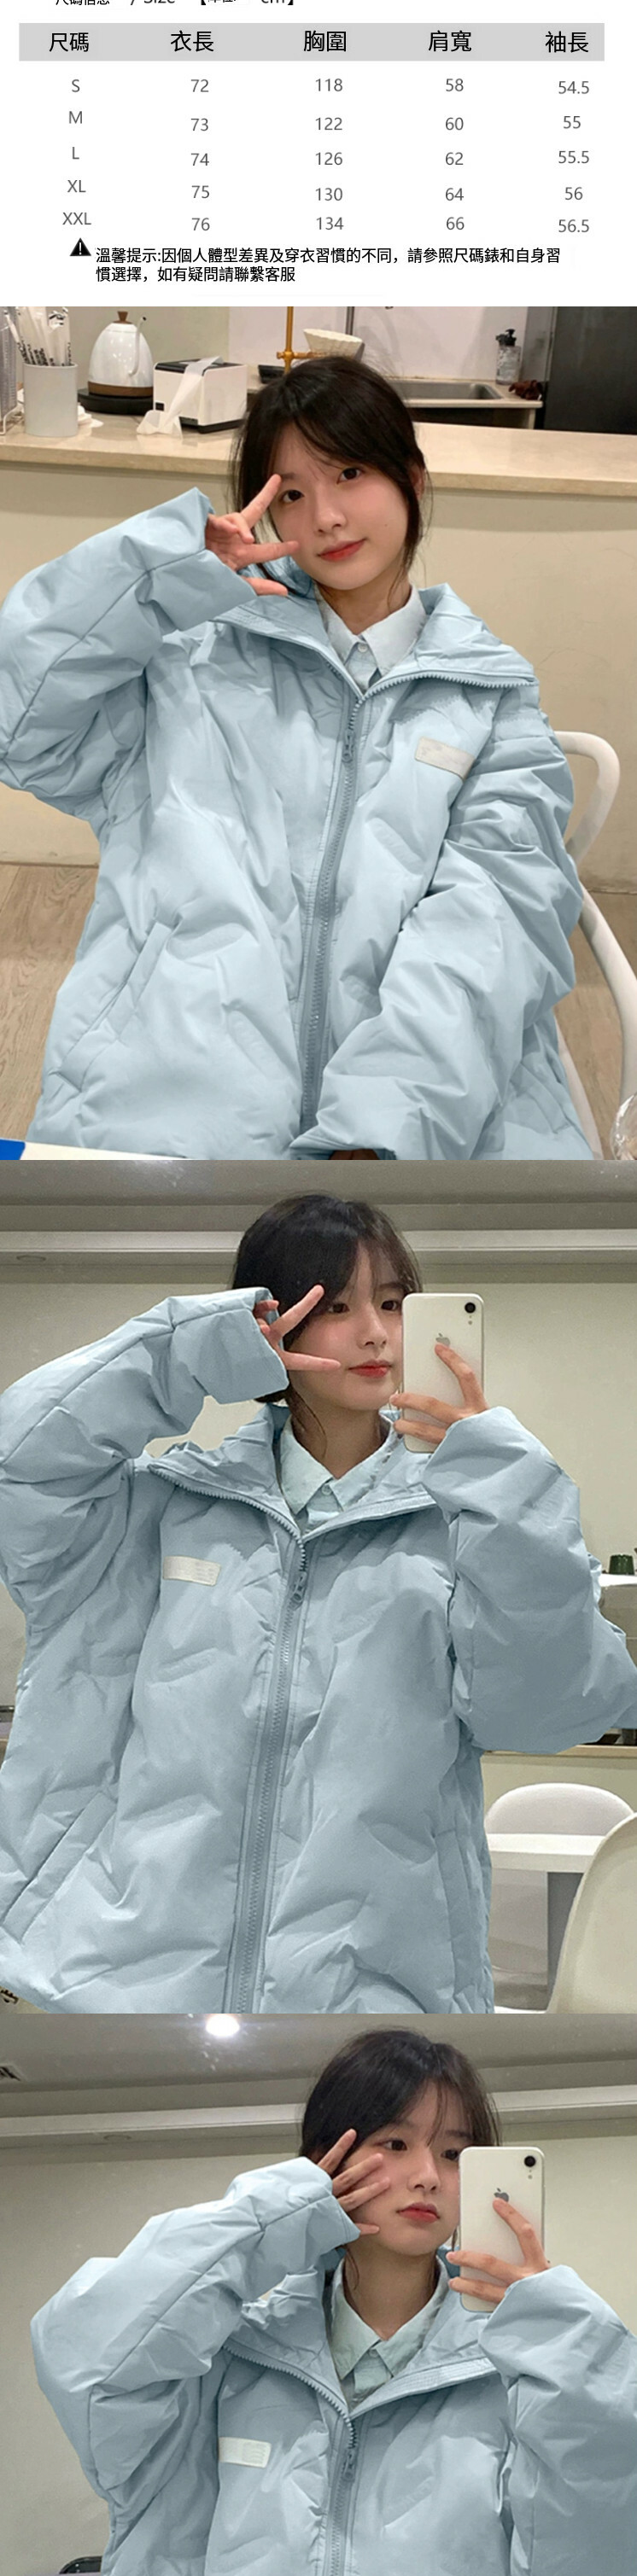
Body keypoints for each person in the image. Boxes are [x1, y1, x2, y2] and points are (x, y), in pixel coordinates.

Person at [1, 1197, 634, 2015]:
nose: (376, 1333)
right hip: (118, 1987)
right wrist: (186, 1354)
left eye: (394, 1303)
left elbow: (551, 1711)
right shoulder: (155, 1509)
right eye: (335, 1306)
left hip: (368, 2007)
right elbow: (22, 1465)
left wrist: (511, 1496)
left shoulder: (469, 1520)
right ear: (268, 1322)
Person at [28, 2025, 637, 2576]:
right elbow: (85, 2358)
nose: (427, 2175)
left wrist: (571, 2350)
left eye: (455, 2152)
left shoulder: (523, 2370)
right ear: (324, 2159)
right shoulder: (224, 2354)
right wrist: (269, 2221)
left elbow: (592, 2570)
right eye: (393, 2142)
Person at [0, 354, 592, 1157]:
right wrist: (162, 578)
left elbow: (494, 924)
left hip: (439, 1119)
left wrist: (379, 1134)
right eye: (292, 494)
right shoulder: (189, 662)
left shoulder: (492, 701)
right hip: (164, 1103)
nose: (328, 518)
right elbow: (19, 721)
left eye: (350, 473)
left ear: (412, 480)